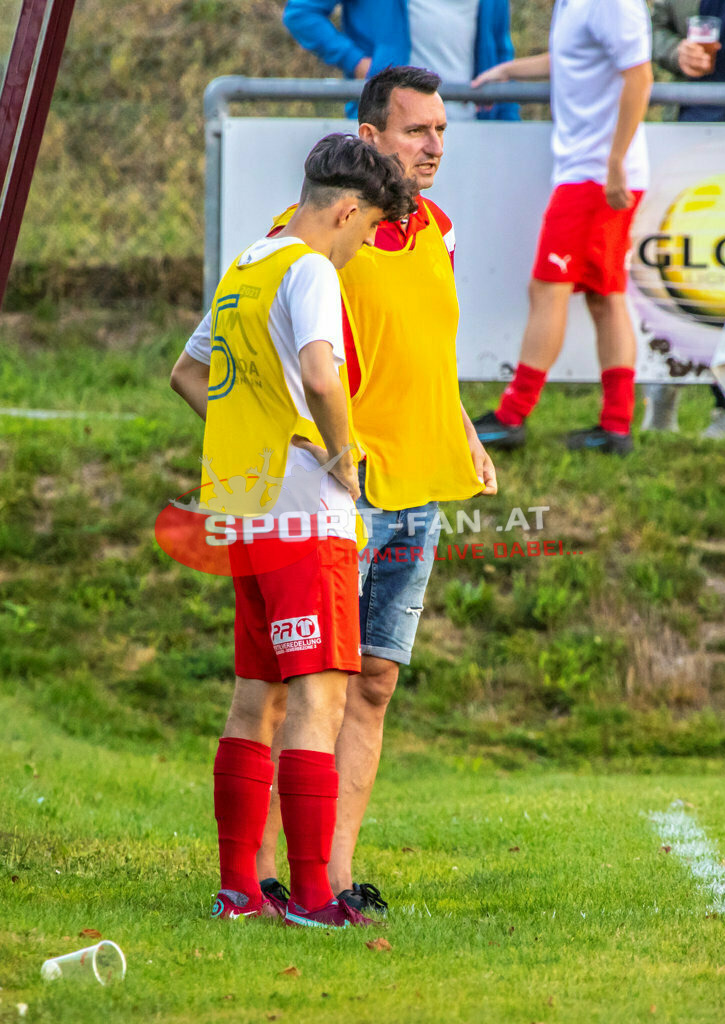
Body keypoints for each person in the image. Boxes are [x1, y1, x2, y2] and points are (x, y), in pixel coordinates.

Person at [171, 66, 497, 916]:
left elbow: (422, 348)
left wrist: (461, 426)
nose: (433, 146)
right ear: (369, 138)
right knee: (304, 682)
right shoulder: (306, 244)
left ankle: (331, 875)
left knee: (371, 679)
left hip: (413, 480)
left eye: (441, 130)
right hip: (335, 489)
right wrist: (310, 443)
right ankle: (281, 880)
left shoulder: (439, 230)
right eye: (416, 130)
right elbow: (297, 367)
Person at [174, 132, 416, 928]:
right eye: (370, 229)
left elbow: (187, 372)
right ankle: (314, 898)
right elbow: (320, 373)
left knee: (256, 698)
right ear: (346, 211)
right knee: (321, 696)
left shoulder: (248, 263)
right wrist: (342, 457)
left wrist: (260, 439)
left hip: (247, 512)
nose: (363, 246)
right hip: (308, 519)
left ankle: (239, 890)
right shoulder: (310, 269)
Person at [470, 0, 654, 456]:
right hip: (591, 173)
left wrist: (615, 163)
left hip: (596, 177)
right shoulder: (574, 4)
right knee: (605, 294)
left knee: (548, 289)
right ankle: (616, 427)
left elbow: (640, 76)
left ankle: (512, 416)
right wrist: (509, 70)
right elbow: (571, 57)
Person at [641, 0, 725, 442]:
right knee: (676, 269)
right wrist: (675, 52)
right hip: (685, 135)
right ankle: (663, 385)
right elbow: (647, 28)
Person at [282, 0, 519, 121]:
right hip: (389, 126)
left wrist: (508, 120)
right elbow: (301, 13)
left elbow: (500, 52)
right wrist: (356, 62)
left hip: (470, 123)